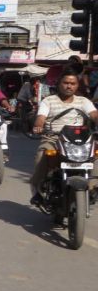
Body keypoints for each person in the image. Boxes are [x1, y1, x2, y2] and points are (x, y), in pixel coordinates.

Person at [29, 70, 98, 206]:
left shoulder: (83, 101)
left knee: (96, 156)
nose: (69, 86)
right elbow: (41, 117)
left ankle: (93, 187)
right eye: (66, 83)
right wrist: (38, 125)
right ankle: (37, 189)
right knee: (42, 155)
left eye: (73, 83)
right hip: (53, 138)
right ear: (59, 84)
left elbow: (94, 115)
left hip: (80, 141)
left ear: (77, 85)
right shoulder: (48, 101)